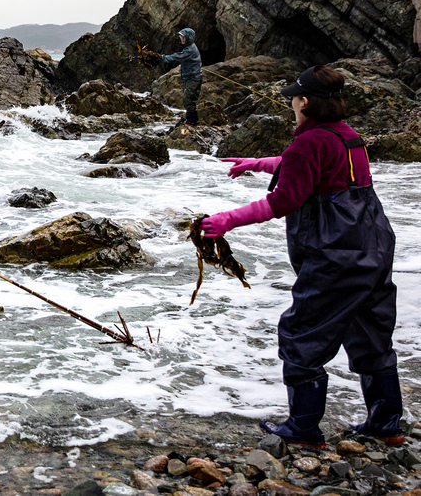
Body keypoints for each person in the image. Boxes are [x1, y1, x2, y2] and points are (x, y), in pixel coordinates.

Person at [201, 65, 403, 448]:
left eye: (294, 98)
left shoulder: (309, 143)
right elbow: (312, 166)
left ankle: (303, 427)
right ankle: (387, 423)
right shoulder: (350, 138)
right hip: (374, 245)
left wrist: (226, 220)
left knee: (301, 333)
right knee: (371, 333)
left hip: (336, 253)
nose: (291, 104)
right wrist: (257, 164)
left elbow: (286, 199)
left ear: (305, 101)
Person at [161, 27, 202, 125]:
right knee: (189, 99)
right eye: (181, 36)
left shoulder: (189, 50)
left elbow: (177, 56)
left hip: (193, 78)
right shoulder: (189, 47)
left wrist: (162, 58)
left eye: (183, 36)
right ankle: (192, 120)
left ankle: (192, 121)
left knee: (188, 99)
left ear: (188, 38)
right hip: (190, 77)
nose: (181, 38)